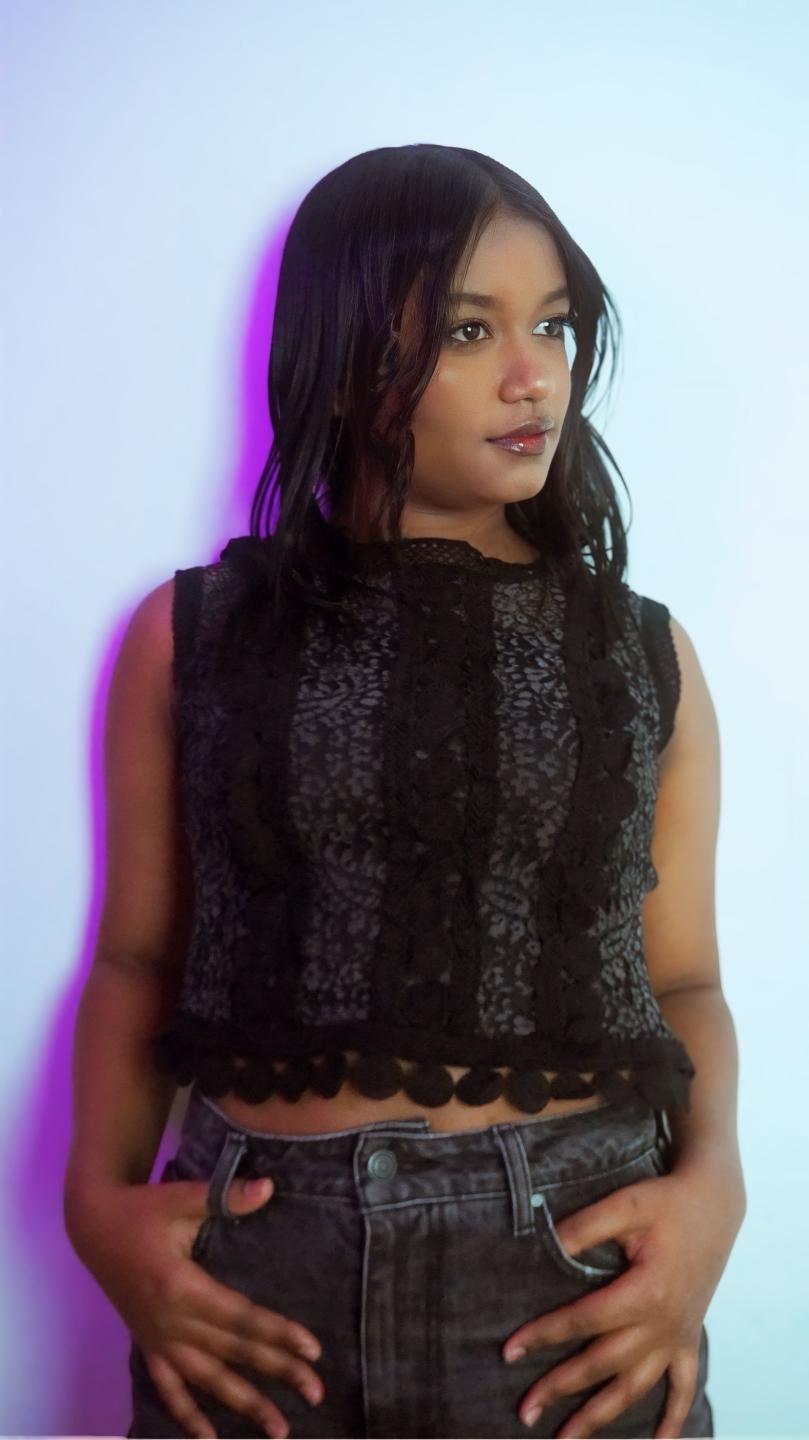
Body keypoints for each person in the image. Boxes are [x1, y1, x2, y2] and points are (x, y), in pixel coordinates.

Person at [63, 144, 746, 1440]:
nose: (534, 375)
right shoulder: (194, 635)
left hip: (571, 1280)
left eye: (554, 325)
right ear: (345, 363)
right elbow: (140, 956)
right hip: (258, 1278)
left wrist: (716, 1192)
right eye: (470, 331)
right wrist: (95, 1205)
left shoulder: (640, 653)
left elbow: (686, 984)